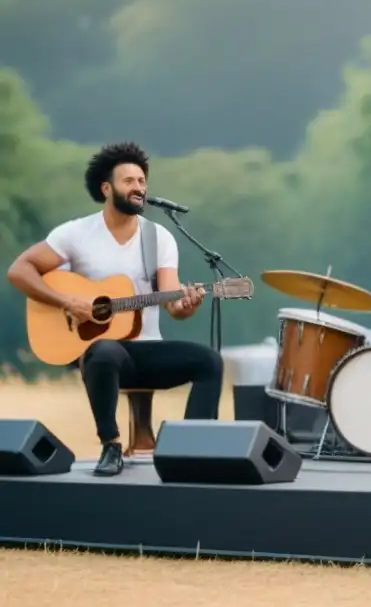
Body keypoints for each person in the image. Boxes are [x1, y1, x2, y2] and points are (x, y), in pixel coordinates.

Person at [6, 142, 224, 478]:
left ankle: (193, 449)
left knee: (209, 361)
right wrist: (67, 301)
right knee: (105, 350)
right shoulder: (76, 233)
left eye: (142, 181)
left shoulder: (158, 237)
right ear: (107, 188)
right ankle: (110, 445)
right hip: (102, 356)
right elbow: (19, 271)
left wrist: (187, 305)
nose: (139, 188)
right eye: (129, 181)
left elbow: (172, 303)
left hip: (148, 351)